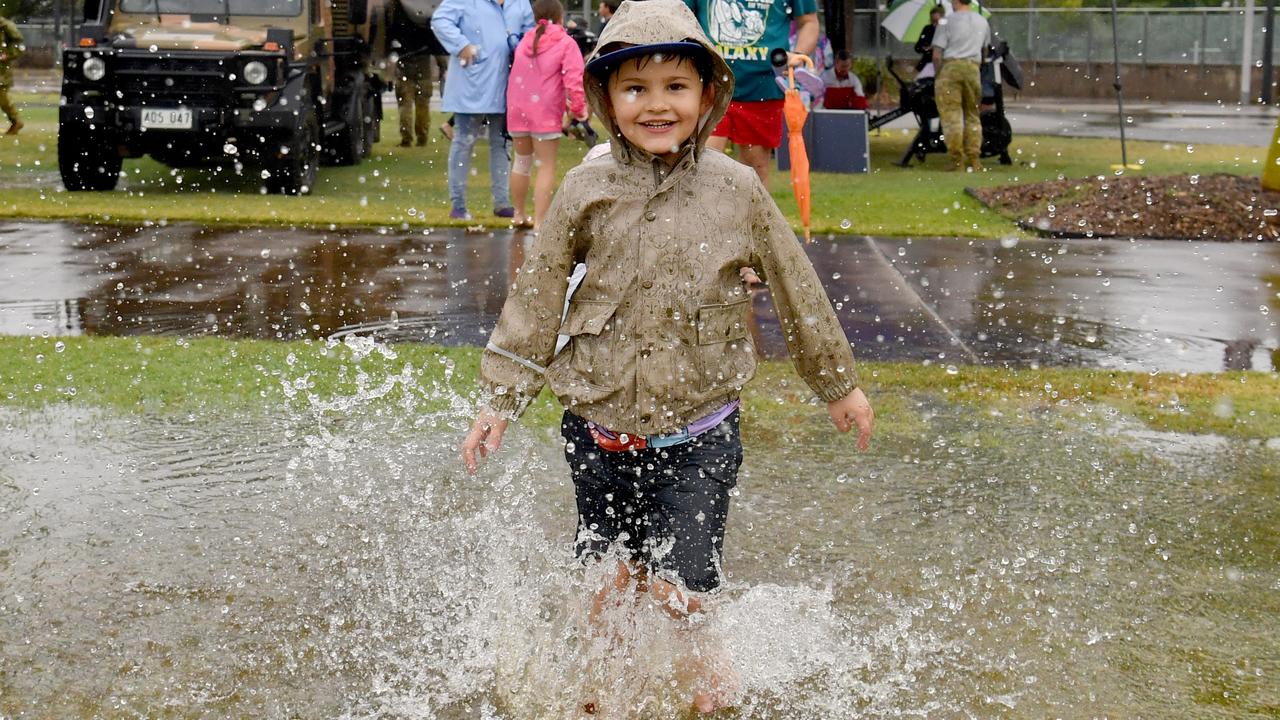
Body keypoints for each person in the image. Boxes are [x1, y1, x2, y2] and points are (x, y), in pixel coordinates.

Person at [460, 0, 874, 712]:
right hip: (598, 429)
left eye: (675, 87)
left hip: (699, 433)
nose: (657, 106)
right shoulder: (587, 189)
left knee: (684, 589)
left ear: (707, 95)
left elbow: (795, 285)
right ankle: (604, 689)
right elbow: (537, 297)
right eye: (636, 89)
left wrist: (838, 384)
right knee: (608, 583)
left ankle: (706, 686)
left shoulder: (736, 190)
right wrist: (501, 397)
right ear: (605, 99)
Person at [683, 0, 818, 185]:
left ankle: (750, 214)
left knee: (755, 168)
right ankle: (703, 213)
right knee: (704, 163)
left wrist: (797, 54)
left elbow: (809, 22)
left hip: (763, 85)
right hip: (709, 83)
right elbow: (680, 15)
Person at [431, 0, 535, 220]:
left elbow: (530, 34)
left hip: (507, 85)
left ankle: (502, 202)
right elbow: (440, 20)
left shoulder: (520, 3)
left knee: (503, 143)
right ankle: (458, 205)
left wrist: (521, 47)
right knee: (463, 142)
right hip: (472, 84)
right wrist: (461, 45)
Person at [506, 0, 589, 230]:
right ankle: (540, 222)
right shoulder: (565, 43)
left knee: (521, 163)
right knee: (545, 166)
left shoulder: (525, 41)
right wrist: (579, 111)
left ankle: (519, 214)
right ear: (560, 18)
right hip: (544, 112)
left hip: (517, 109)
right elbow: (574, 81)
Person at [932, 0, 991, 172]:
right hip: (973, 68)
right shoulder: (982, 21)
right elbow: (984, 50)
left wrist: (938, 75)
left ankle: (956, 161)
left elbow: (937, 55)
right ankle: (974, 159)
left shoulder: (946, 22)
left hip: (951, 68)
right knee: (973, 115)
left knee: (952, 116)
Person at [391, 11, 437, 147]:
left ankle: (407, 138)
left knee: (405, 108)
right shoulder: (426, 25)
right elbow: (436, 50)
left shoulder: (399, 25)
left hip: (405, 72)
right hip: (424, 73)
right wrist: (443, 67)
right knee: (423, 107)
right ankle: (422, 137)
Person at [0, 14, 23, 136]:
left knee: (2, 98)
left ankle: (16, 121)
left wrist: (8, 54)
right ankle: (16, 121)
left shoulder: (5, 26)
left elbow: (19, 44)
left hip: (2, 70)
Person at [914, 5, 944, 79]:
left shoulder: (946, 30)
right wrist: (925, 48)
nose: (934, 24)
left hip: (942, 63)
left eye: (937, 21)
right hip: (927, 63)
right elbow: (917, 47)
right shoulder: (927, 29)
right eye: (932, 20)